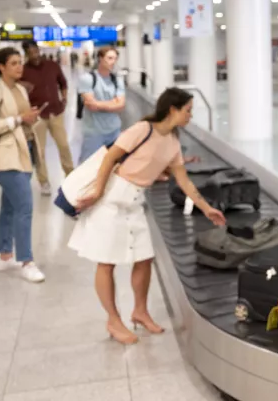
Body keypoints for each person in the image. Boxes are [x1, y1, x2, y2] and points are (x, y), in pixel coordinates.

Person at [69, 87, 226, 344]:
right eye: (188, 110)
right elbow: (110, 158)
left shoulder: (173, 142)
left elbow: (183, 180)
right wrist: (97, 191)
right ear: (173, 110)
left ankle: (140, 311)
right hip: (111, 201)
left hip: (135, 203)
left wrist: (206, 207)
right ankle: (113, 320)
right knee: (106, 263)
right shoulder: (143, 130)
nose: (190, 115)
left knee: (143, 259)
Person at [0, 47, 45, 283]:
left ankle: (5, 256)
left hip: (23, 150)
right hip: (4, 156)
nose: (20, 67)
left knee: (9, 206)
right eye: (14, 63)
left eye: (20, 62)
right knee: (24, 207)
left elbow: (22, 118)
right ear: (1, 67)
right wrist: (18, 119)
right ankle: (27, 261)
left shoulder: (19, 89)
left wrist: (30, 117)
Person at [21, 40, 75, 195]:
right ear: (26, 54)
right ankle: (44, 181)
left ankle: (71, 174)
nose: (34, 55)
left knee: (63, 145)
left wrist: (64, 99)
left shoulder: (52, 65)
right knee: (40, 150)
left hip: (55, 112)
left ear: (39, 50)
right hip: (37, 116)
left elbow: (63, 83)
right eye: (30, 52)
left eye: (35, 51)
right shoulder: (23, 71)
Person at [78, 47, 125, 162]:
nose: (113, 62)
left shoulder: (117, 80)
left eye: (115, 58)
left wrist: (98, 104)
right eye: (109, 58)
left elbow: (121, 105)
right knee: (89, 166)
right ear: (100, 58)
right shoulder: (88, 79)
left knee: (115, 164)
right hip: (94, 133)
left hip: (114, 131)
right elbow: (91, 106)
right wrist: (113, 103)